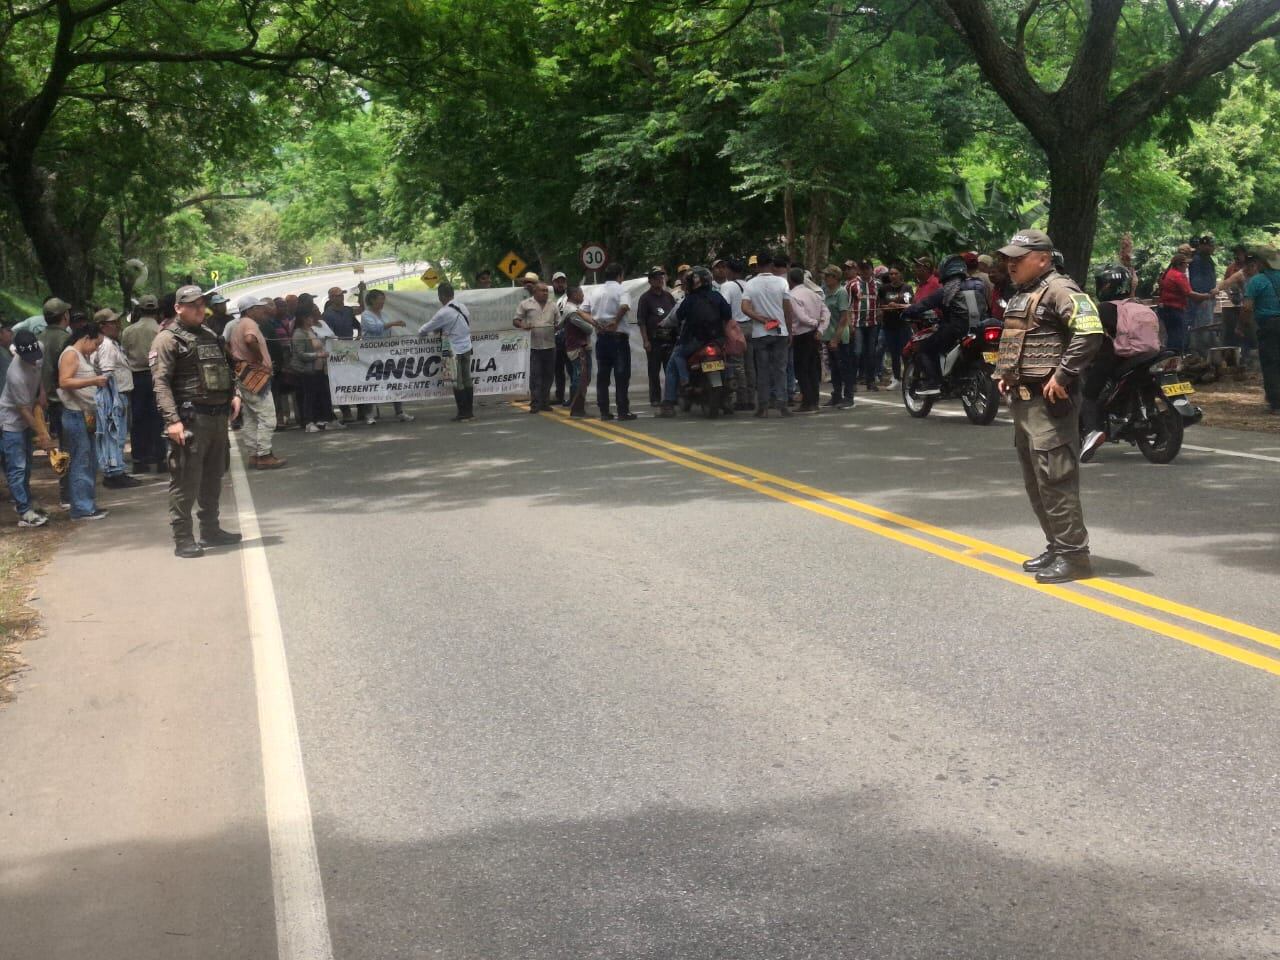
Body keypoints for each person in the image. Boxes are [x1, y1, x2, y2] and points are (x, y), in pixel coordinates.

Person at [993, 230, 1103, 584]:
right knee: (1036, 481)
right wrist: (1007, 373)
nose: (1011, 264)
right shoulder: (1026, 293)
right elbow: (1023, 339)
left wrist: (1064, 374)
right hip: (1024, 404)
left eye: (1018, 258)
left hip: (1050, 405)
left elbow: (1090, 331)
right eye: (1008, 258)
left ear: (1043, 258)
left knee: (1056, 480)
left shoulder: (1062, 289)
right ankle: (1057, 546)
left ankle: (1074, 556)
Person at [151, 285, 242, 557]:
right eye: (192, 305)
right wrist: (172, 421)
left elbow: (228, 367)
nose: (199, 309)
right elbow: (161, 384)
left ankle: (211, 530)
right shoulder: (167, 340)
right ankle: (183, 538)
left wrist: (234, 393)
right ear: (178, 307)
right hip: (191, 420)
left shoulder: (210, 335)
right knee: (185, 481)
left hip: (217, 419)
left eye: (201, 304)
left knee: (213, 477)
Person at [1080, 265, 1163, 461]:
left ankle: (1092, 431)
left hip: (1118, 357)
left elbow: (1087, 335)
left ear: (1106, 286)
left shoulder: (1104, 308)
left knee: (1089, 393)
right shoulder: (1140, 306)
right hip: (1150, 355)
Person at [902, 254, 987, 394]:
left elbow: (923, 305)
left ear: (946, 271)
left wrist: (906, 312)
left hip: (956, 329)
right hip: (980, 328)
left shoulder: (946, 290)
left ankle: (933, 382)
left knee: (925, 349)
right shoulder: (978, 285)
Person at [657, 266, 730, 417]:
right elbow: (728, 314)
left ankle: (677, 393)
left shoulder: (689, 300)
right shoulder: (717, 296)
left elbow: (677, 317)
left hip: (694, 341)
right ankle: (727, 395)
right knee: (727, 360)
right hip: (717, 340)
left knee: (675, 359)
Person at [57, 322, 110, 521]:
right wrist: (93, 381)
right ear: (86, 338)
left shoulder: (82, 356)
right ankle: (81, 507)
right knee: (81, 460)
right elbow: (65, 381)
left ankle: (87, 503)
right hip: (75, 414)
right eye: (95, 344)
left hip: (86, 413)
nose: (95, 349)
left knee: (89, 460)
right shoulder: (71, 354)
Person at [1, 331, 54, 526]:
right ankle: (24, 512)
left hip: (28, 412)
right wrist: (42, 433)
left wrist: (41, 392)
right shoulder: (15, 375)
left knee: (27, 466)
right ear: (20, 354)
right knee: (17, 467)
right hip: (11, 421)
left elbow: (40, 374)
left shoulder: (38, 347)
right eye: (29, 359)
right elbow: (23, 410)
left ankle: (25, 502)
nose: (34, 362)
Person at [229, 295, 287, 468]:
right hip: (255, 374)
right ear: (250, 310)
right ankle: (264, 454)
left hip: (244, 373)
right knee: (267, 416)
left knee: (251, 417)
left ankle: (254, 454)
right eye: (259, 308)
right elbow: (250, 340)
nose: (263, 311)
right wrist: (259, 358)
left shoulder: (237, 325)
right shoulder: (249, 324)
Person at [741, 253, 795, 417]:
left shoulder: (750, 284)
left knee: (762, 370)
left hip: (760, 333)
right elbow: (787, 308)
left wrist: (761, 319)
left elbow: (745, 308)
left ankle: (762, 407)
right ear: (772, 265)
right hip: (780, 332)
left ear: (757, 266)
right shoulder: (782, 282)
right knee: (780, 369)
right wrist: (789, 330)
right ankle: (782, 404)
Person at [91, 309, 140, 489]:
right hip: (115, 395)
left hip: (119, 393)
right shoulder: (107, 345)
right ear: (102, 326)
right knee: (114, 434)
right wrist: (113, 400)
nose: (117, 325)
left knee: (117, 434)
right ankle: (113, 472)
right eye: (112, 322)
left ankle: (116, 469)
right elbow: (107, 373)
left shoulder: (111, 343)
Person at [358, 289, 414, 424]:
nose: (382, 302)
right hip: (371, 354)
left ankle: (399, 411)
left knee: (395, 379)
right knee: (372, 382)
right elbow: (376, 328)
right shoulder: (366, 315)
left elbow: (386, 330)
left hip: (386, 352)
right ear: (372, 300)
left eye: (383, 299)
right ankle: (369, 414)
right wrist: (394, 323)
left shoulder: (384, 314)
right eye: (380, 299)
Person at [121, 293, 163, 472]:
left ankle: (139, 459)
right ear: (157, 310)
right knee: (158, 417)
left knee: (138, 419)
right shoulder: (160, 330)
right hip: (156, 375)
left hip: (135, 377)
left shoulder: (129, 331)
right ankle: (161, 458)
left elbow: (124, 352)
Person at [420, 282, 474, 421]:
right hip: (467, 346)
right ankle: (470, 411)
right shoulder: (462, 306)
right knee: (467, 378)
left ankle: (463, 413)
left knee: (458, 381)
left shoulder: (443, 312)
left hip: (453, 349)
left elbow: (425, 329)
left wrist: (422, 334)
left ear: (441, 296)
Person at [589, 262, 634, 420]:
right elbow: (624, 306)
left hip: (602, 337)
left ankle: (604, 411)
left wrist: (594, 322)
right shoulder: (622, 289)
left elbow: (581, 310)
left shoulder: (595, 291)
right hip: (618, 338)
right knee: (621, 375)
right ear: (620, 275)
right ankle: (623, 411)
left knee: (603, 375)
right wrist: (615, 321)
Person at [1241, 245, 1280, 414]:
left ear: (1259, 262)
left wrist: (1242, 325)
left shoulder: (1257, 281)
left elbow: (1247, 307)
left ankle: (1276, 402)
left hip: (1269, 326)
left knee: (1271, 363)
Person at [787, 266, 828, 412]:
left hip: (802, 335)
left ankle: (808, 402)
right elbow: (826, 312)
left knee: (801, 370)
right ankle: (813, 401)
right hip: (814, 335)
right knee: (812, 369)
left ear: (790, 280)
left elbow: (801, 317)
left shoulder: (792, 295)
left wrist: (815, 324)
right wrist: (820, 328)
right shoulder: (813, 293)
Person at [715, 259, 754, 410]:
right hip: (751, 326)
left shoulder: (728, 286)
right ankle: (751, 398)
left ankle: (742, 399)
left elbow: (723, 307)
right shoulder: (748, 285)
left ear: (729, 271)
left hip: (735, 328)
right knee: (750, 365)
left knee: (737, 364)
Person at [514, 280, 558, 413]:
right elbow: (516, 320)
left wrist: (557, 327)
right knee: (535, 376)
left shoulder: (553, 305)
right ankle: (535, 403)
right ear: (535, 292)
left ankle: (545, 402)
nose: (545, 293)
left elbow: (558, 322)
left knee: (549, 375)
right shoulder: (525, 304)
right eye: (542, 290)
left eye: (546, 291)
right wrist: (523, 326)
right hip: (534, 347)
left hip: (550, 345)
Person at [1157, 251, 1214, 354]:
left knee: (1172, 336)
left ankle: (1171, 358)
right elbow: (1190, 294)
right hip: (1175, 310)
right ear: (1179, 265)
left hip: (1165, 310)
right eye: (1186, 264)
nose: (1187, 266)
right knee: (1178, 337)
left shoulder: (1168, 273)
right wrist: (1207, 296)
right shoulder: (1179, 276)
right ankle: (1176, 358)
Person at [322, 287, 363, 423]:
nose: (341, 298)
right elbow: (328, 335)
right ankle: (346, 411)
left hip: (351, 348)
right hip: (337, 351)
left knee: (356, 379)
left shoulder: (348, 310)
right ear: (332, 298)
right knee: (340, 382)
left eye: (342, 295)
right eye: (338, 296)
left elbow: (358, 324)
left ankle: (361, 410)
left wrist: (359, 336)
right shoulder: (327, 315)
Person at [290, 305, 333, 433]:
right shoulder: (299, 334)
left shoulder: (312, 331)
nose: (312, 319)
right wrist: (318, 355)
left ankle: (323, 419)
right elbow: (301, 354)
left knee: (322, 395)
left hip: (319, 369)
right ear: (304, 319)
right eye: (309, 317)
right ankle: (308, 421)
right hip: (307, 370)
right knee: (309, 396)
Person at [637, 267, 676, 406]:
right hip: (654, 340)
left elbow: (675, 315)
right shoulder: (645, 298)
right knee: (654, 370)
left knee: (670, 369)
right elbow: (641, 321)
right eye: (656, 277)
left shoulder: (668, 296)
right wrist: (645, 340)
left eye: (661, 277)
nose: (660, 279)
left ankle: (671, 397)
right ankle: (655, 398)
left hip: (669, 338)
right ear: (650, 280)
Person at [560, 286, 596, 418]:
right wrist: (592, 322)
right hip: (578, 347)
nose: (583, 296)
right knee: (581, 377)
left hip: (578, 346)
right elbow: (588, 328)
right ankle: (576, 407)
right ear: (574, 294)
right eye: (581, 293)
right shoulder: (572, 311)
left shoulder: (574, 309)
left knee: (581, 376)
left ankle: (576, 404)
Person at [878, 265, 913, 389]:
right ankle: (897, 378)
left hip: (903, 325)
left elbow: (909, 304)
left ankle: (909, 378)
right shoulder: (884, 289)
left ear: (901, 274)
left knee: (906, 353)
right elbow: (881, 305)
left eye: (895, 273)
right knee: (894, 354)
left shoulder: (907, 288)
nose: (893, 276)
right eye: (891, 274)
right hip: (889, 325)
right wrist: (888, 307)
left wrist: (896, 305)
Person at [850, 261, 881, 390]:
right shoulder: (852, 285)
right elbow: (847, 304)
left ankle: (871, 381)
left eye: (867, 268)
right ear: (859, 270)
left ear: (872, 269)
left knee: (871, 353)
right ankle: (852, 382)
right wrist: (849, 324)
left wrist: (880, 313)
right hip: (857, 323)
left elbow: (881, 302)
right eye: (862, 269)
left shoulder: (878, 285)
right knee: (857, 352)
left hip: (873, 323)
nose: (865, 271)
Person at [1187, 234, 1219, 353]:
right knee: (1203, 327)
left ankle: (1207, 351)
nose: (1213, 248)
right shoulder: (1197, 260)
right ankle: (1202, 353)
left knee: (1208, 325)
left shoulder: (1207, 258)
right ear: (1202, 246)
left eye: (1213, 246)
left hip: (1208, 297)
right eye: (1210, 246)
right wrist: (1205, 295)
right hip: (1202, 299)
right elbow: (1196, 281)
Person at [551, 271, 572, 405]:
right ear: (553, 283)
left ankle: (575, 395)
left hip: (569, 337)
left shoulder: (569, 296)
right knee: (558, 369)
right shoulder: (549, 297)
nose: (560, 284)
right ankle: (559, 395)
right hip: (553, 338)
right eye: (558, 281)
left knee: (571, 367)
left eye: (563, 281)